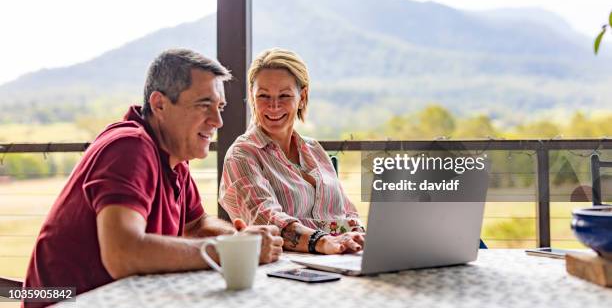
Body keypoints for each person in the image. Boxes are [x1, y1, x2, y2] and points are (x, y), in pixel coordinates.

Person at [23, 49, 283, 307]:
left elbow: (197, 225)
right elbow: (123, 254)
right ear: (159, 104)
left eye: (220, 107)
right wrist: (229, 251)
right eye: (204, 105)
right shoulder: (130, 147)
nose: (218, 121)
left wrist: (245, 240)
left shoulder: (173, 155)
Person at [219, 48, 365, 255]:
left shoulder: (314, 149)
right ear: (252, 98)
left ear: (302, 96)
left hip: (342, 258)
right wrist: (323, 242)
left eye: (285, 95)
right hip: (284, 268)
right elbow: (265, 218)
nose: (274, 106)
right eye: (263, 96)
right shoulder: (242, 155)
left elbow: (347, 212)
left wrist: (360, 236)